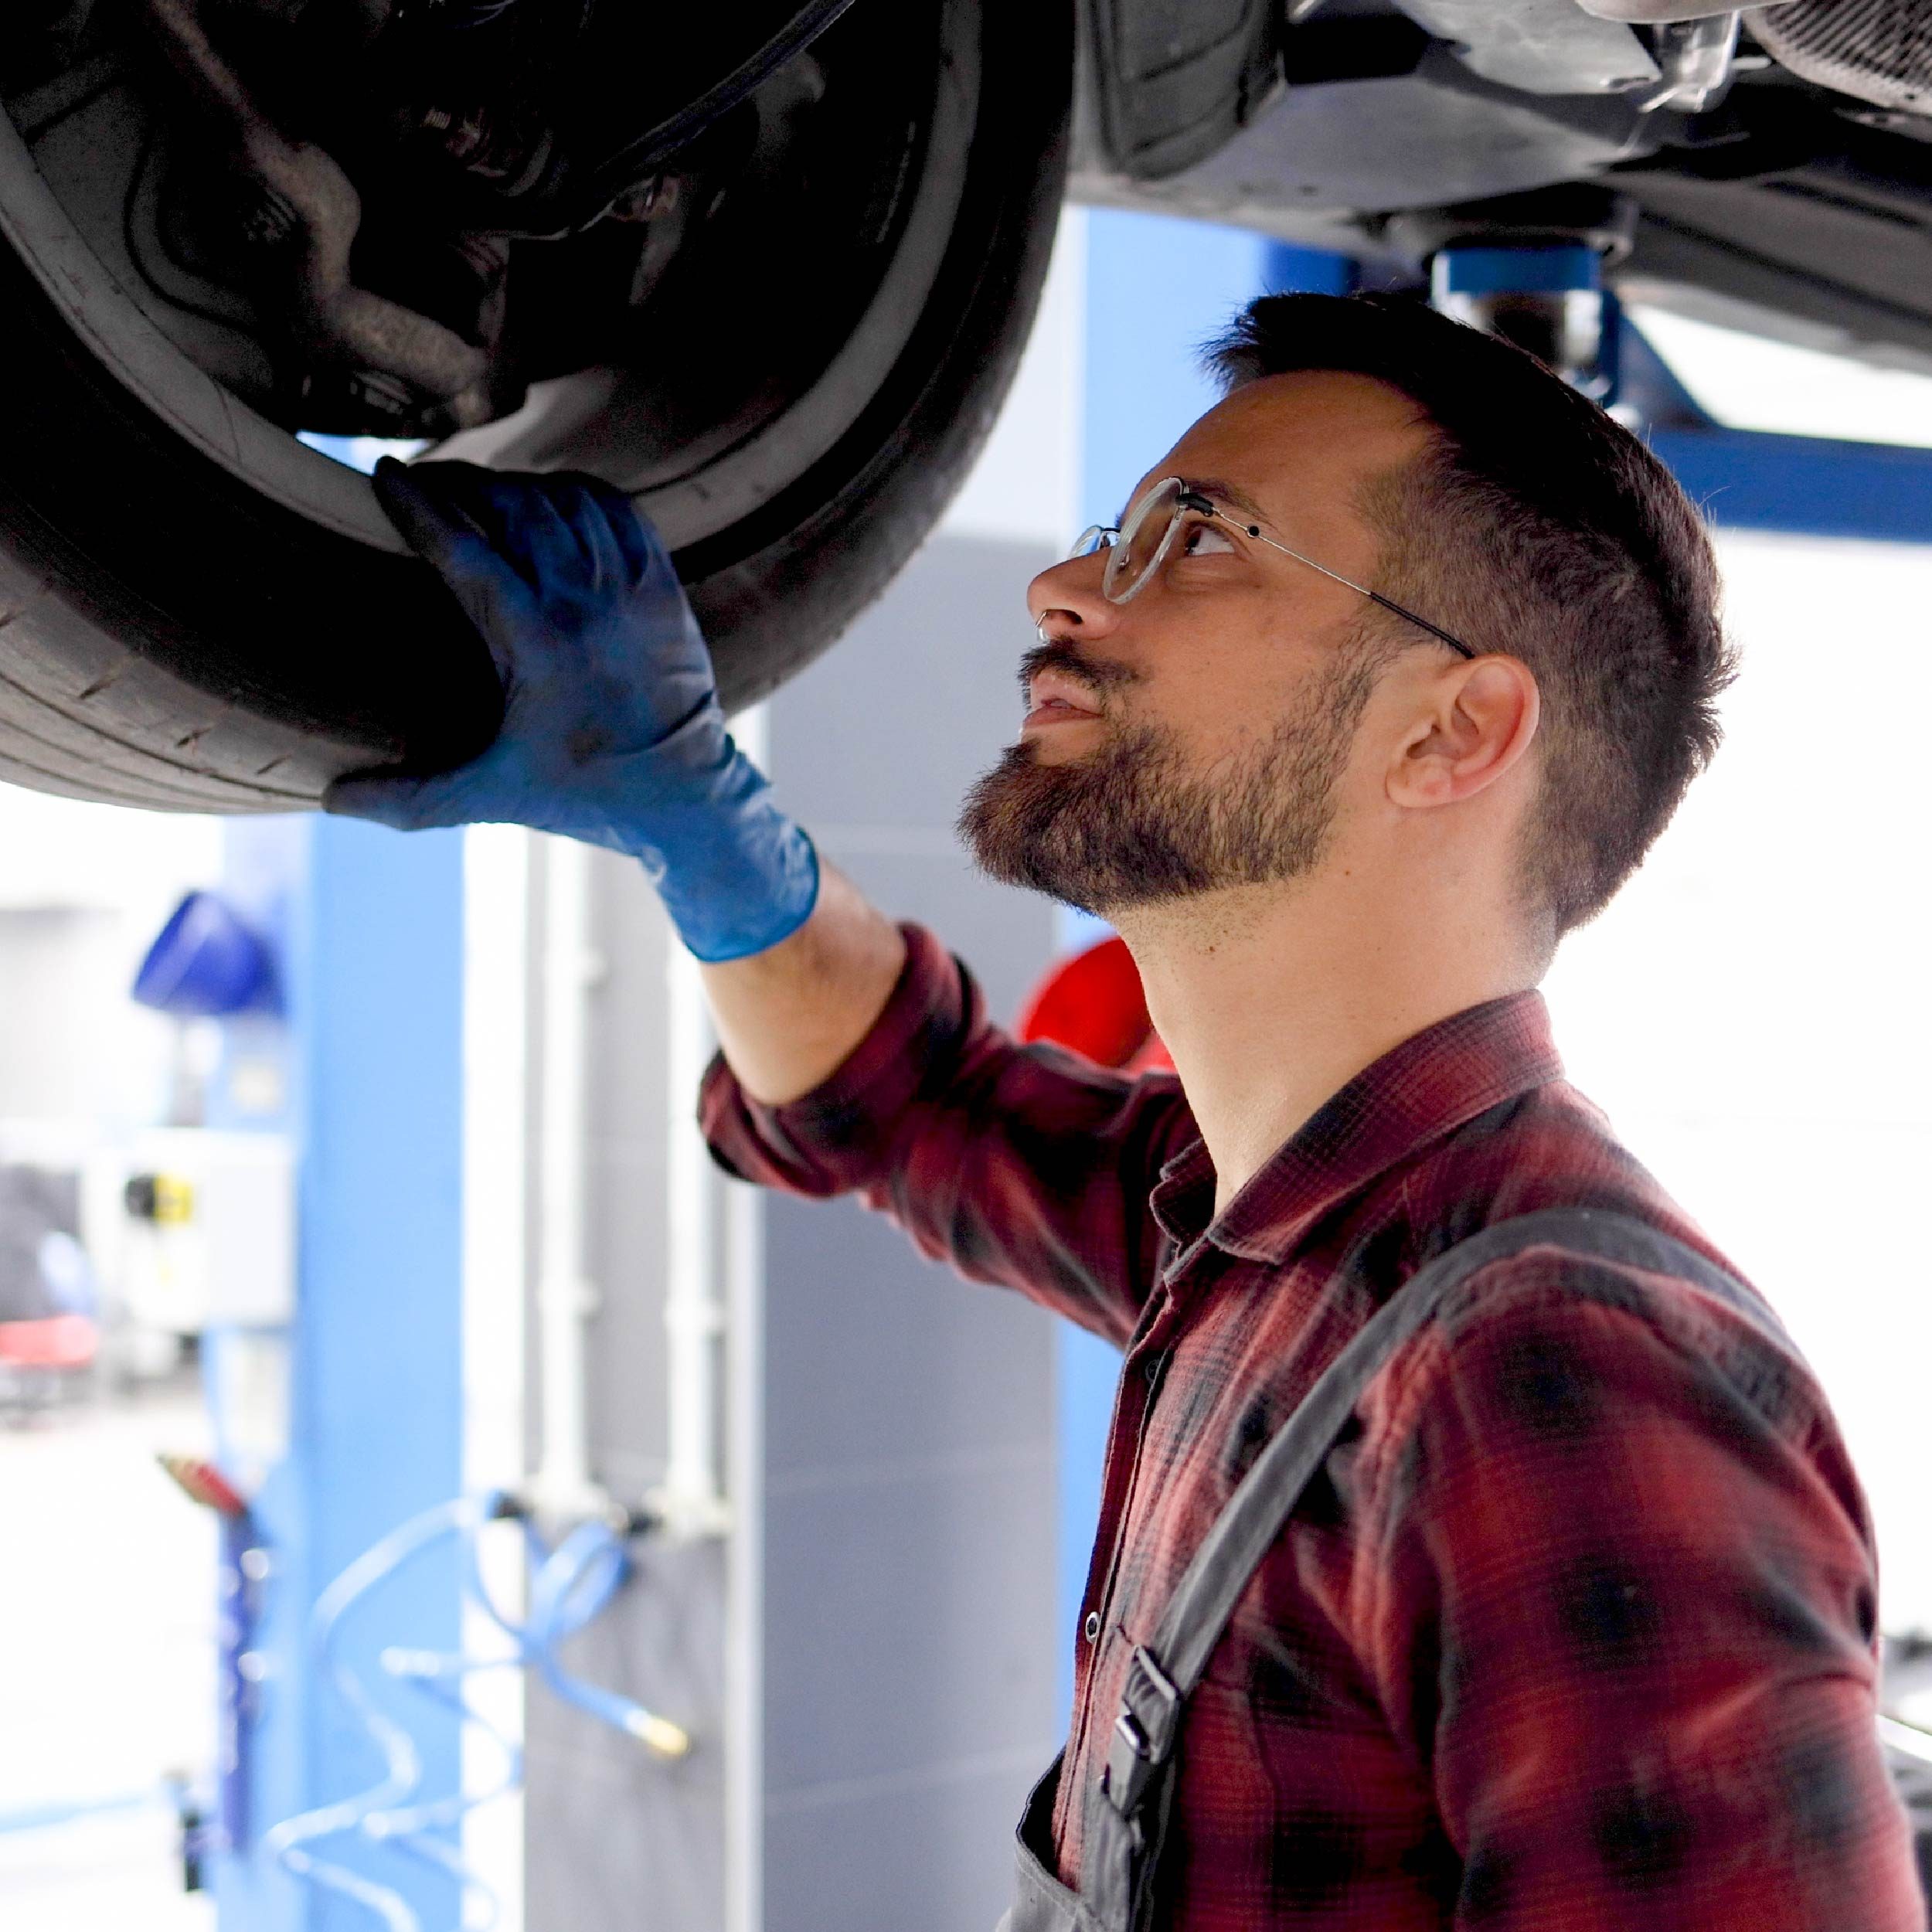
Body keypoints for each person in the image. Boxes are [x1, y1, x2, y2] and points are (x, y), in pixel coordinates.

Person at [331, 292, 1926, 1929]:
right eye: (1118, 531)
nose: (1064, 586)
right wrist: (697, 817)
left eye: (1203, 540)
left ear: (1451, 731)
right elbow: (908, 1102)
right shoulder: (1260, 1228)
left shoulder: (1553, 1364)